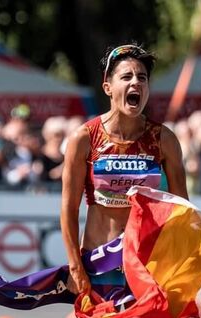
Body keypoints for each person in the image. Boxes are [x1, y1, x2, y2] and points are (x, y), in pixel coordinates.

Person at [60, 44, 187, 295]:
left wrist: (180, 263)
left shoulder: (164, 139)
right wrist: (75, 267)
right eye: (126, 76)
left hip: (148, 264)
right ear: (107, 87)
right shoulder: (85, 138)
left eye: (142, 78)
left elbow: (181, 209)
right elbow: (68, 208)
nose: (136, 83)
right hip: (100, 263)